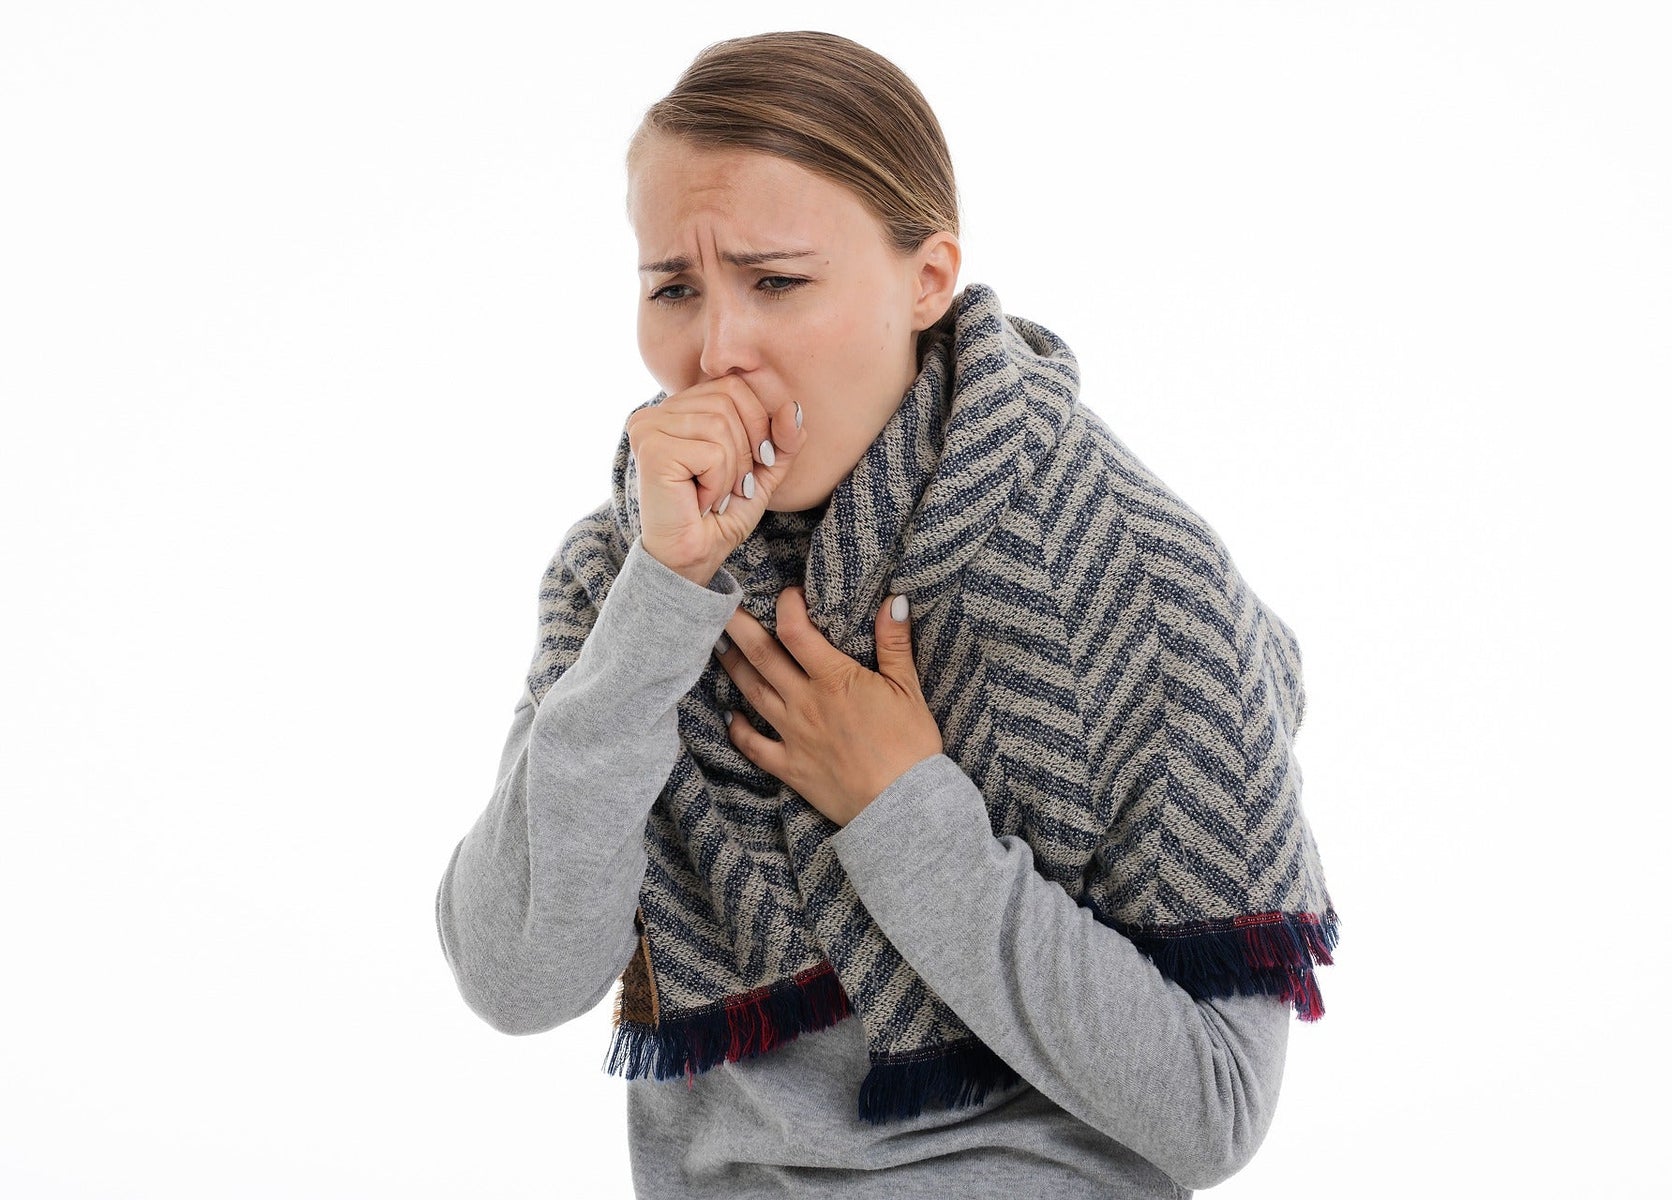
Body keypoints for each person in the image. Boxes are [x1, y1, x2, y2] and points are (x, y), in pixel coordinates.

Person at [436, 30, 1339, 1199]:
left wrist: (902, 807)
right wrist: (661, 604)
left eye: (776, 281)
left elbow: (1215, 1108)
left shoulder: (1137, 576)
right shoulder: (627, 574)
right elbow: (515, 979)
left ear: (928, 279)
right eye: (674, 289)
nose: (715, 351)